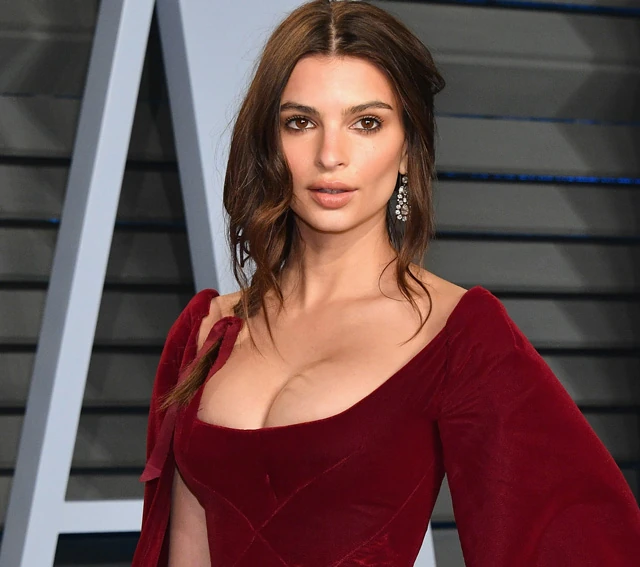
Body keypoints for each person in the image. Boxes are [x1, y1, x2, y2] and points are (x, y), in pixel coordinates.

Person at [131, 1, 640, 565]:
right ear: (269, 142)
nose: (330, 155)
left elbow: (578, 534)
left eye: (366, 123)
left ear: (406, 149)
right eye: (300, 122)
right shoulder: (208, 329)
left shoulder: (456, 332)